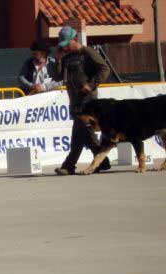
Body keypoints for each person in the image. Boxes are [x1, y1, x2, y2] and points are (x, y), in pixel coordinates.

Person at [52, 26, 111, 175]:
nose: (65, 47)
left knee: (78, 133)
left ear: (75, 39)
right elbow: (57, 76)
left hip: (88, 101)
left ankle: (68, 165)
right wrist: (57, 60)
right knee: (87, 134)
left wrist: (91, 85)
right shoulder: (66, 57)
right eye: (63, 44)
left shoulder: (88, 53)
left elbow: (105, 69)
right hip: (74, 101)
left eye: (67, 43)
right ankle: (102, 161)